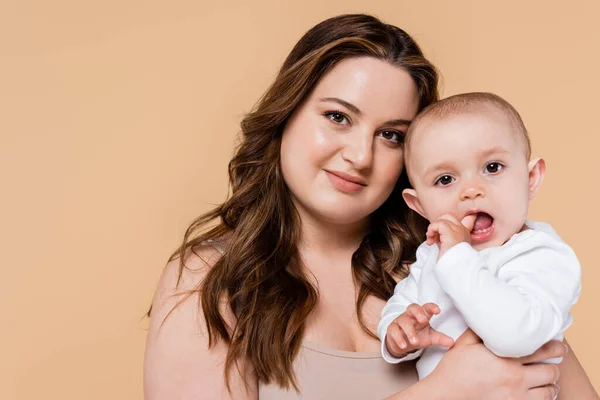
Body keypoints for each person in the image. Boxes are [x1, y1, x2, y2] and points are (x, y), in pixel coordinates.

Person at [144, 14, 597, 399]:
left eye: (391, 135)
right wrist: (441, 393)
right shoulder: (213, 280)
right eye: (338, 117)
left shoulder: (456, 257)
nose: (361, 156)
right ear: (286, 114)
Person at [377, 92, 581, 380]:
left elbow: (516, 336)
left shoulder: (542, 255)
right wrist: (398, 330)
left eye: (492, 167)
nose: (471, 190)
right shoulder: (432, 254)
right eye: (445, 179)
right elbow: (404, 300)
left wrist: (458, 257)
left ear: (531, 178)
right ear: (420, 206)